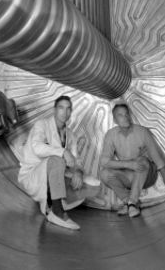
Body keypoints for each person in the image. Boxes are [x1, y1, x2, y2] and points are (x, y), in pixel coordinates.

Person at [18, 95, 100, 230]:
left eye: (68, 109)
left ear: (71, 112)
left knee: (95, 186)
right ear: (54, 110)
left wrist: (78, 172)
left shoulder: (71, 134)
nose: (65, 112)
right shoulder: (42, 125)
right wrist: (63, 152)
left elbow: (76, 160)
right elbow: (37, 147)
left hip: (56, 175)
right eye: (61, 108)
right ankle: (57, 212)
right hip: (34, 175)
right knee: (57, 160)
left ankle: (53, 198)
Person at [98, 103, 165, 218]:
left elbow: (159, 160)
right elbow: (104, 161)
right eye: (121, 115)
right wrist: (129, 164)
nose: (125, 117)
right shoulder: (111, 135)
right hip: (129, 176)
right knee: (104, 173)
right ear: (115, 119)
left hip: (147, 175)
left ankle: (132, 203)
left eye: (127, 114)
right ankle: (128, 201)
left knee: (141, 161)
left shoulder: (142, 132)